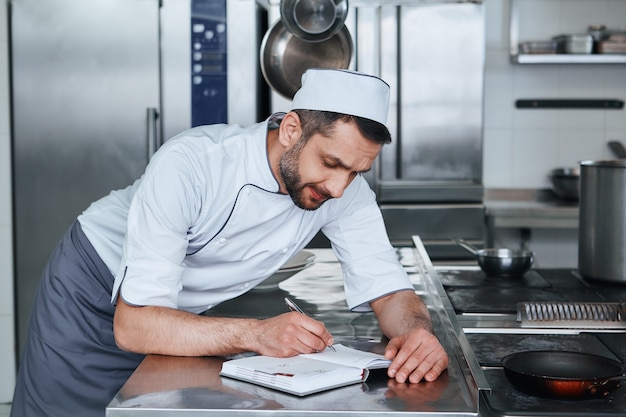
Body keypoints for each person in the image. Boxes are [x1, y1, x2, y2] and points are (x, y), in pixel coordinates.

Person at [11, 69, 449, 417]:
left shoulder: (345, 191)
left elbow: (389, 289)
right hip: (89, 294)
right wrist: (256, 334)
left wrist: (418, 336)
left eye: (355, 172)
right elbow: (134, 326)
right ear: (292, 129)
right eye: (331, 163)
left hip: (174, 315)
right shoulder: (193, 165)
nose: (339, 187)